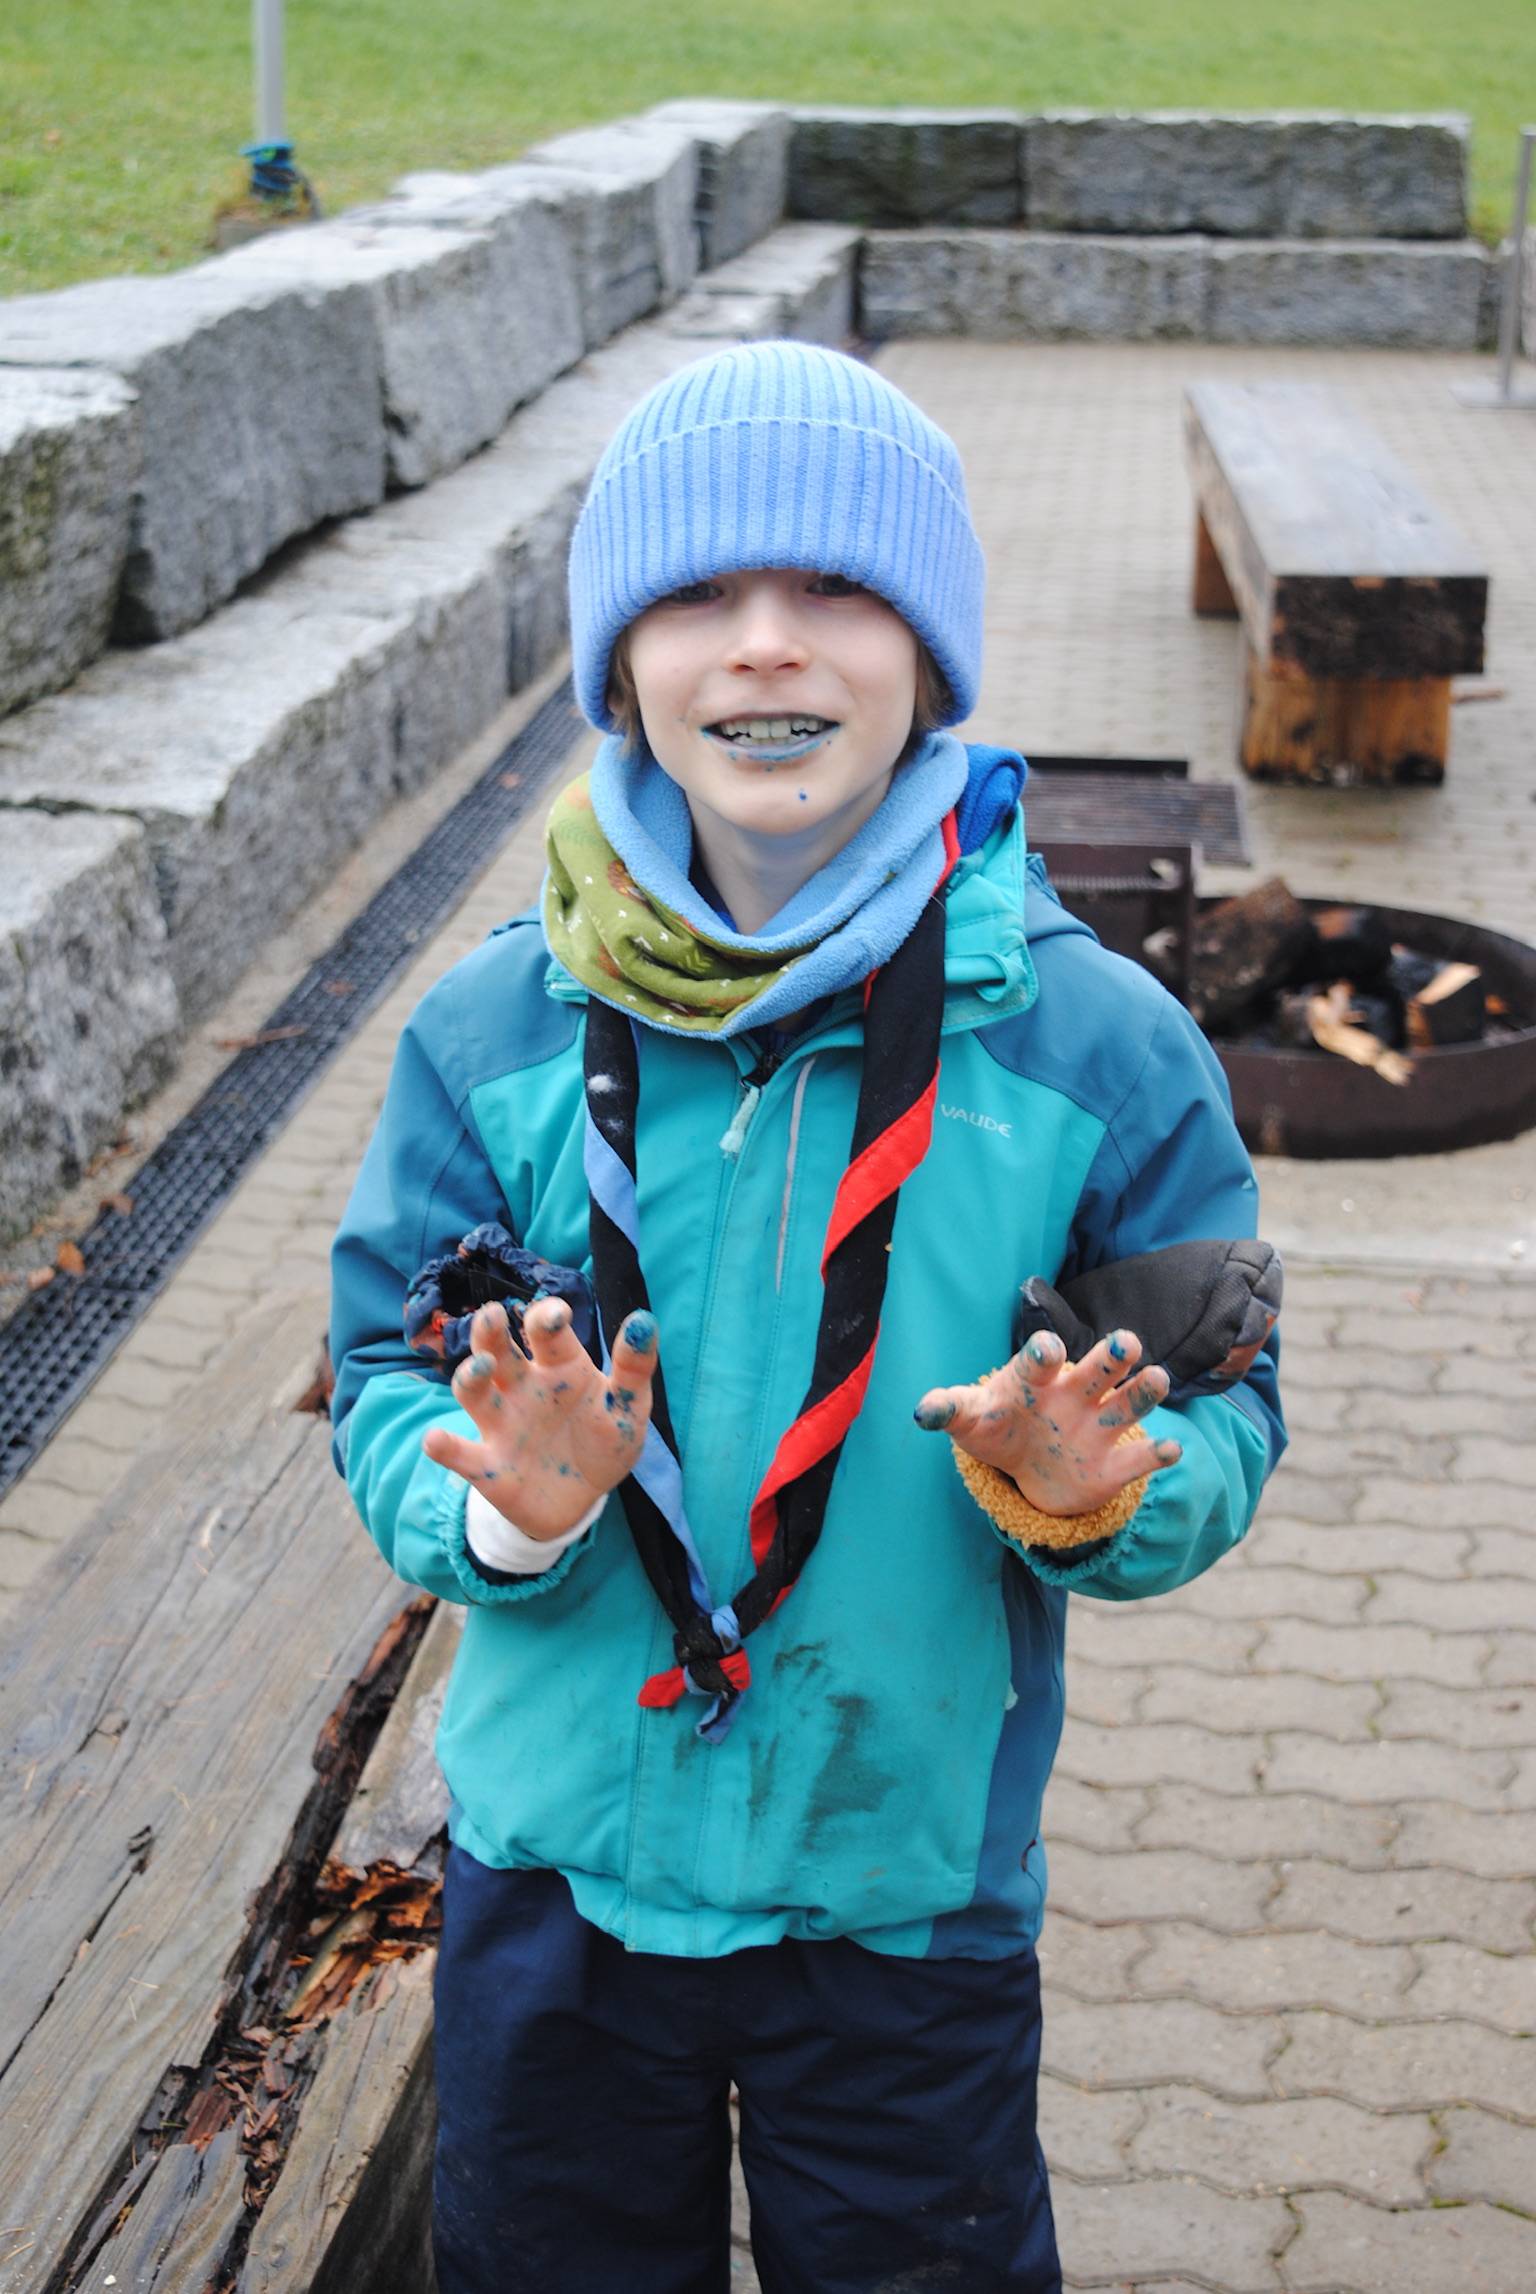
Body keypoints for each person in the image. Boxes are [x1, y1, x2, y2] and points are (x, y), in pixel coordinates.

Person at [329, 340, 1285, 2294]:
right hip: (559, 1880)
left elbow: (1228, 1402)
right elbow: (380, 1372)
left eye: (839, 588)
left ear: (932, 651)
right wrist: (499, 1509)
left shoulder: (1095, 1048)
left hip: (904, 1894)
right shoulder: (493, 1030)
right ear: (619, 666)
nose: (766, 643)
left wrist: (1102, 1489)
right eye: (698, 592)